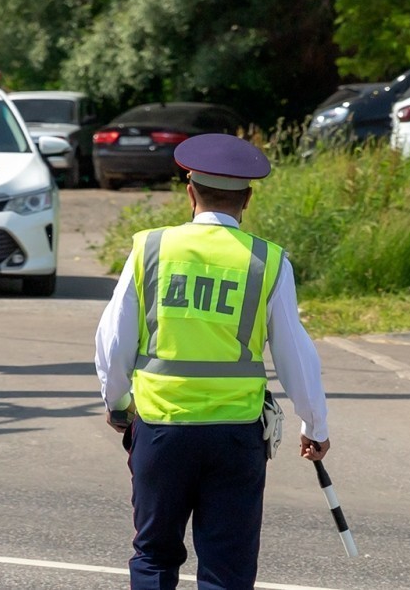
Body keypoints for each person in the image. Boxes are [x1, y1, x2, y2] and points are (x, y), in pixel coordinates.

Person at [93, 134, 330, 590]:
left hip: (162, 428)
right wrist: (314, 425)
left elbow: (112, 340)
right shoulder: (268, 260)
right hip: (235, 435)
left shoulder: (150, 248)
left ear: (190, 191)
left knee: (154, 555)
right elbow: (295, 353)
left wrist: (118, 403)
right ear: (248, 199)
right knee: (227, 568)